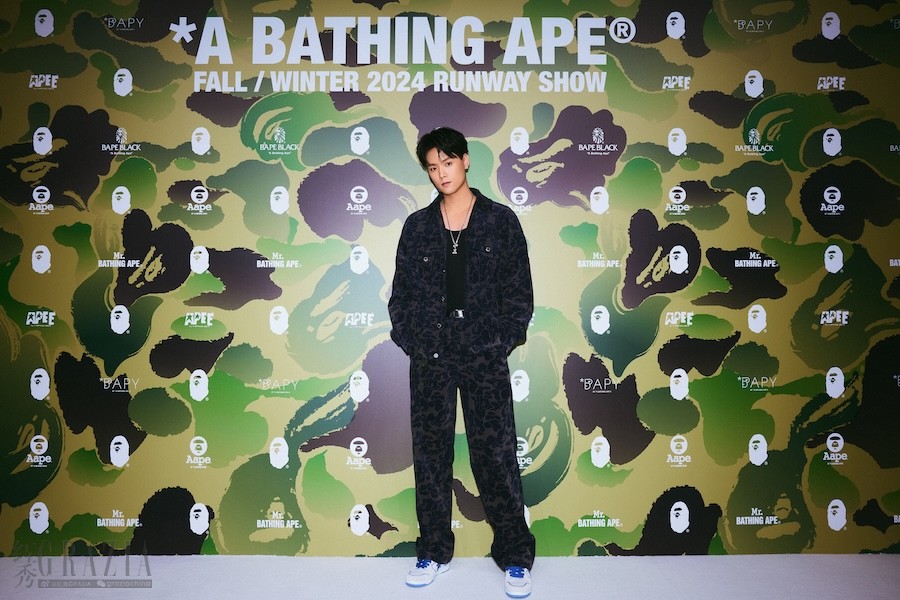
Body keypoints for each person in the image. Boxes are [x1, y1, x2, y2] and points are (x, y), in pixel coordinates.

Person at [388, 127, 536, 598]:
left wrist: (497, 341)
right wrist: (414, 341)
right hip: (431, 356)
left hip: (482, 355)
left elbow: (519, 295)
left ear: (466, 160)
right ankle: (432, 551)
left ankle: (515, 556)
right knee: (431, 457)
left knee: (495, 456)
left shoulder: (500, 222)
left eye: (448, 163)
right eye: (432, 167)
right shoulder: (417, 227)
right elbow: (400, 298)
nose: (441, 174)